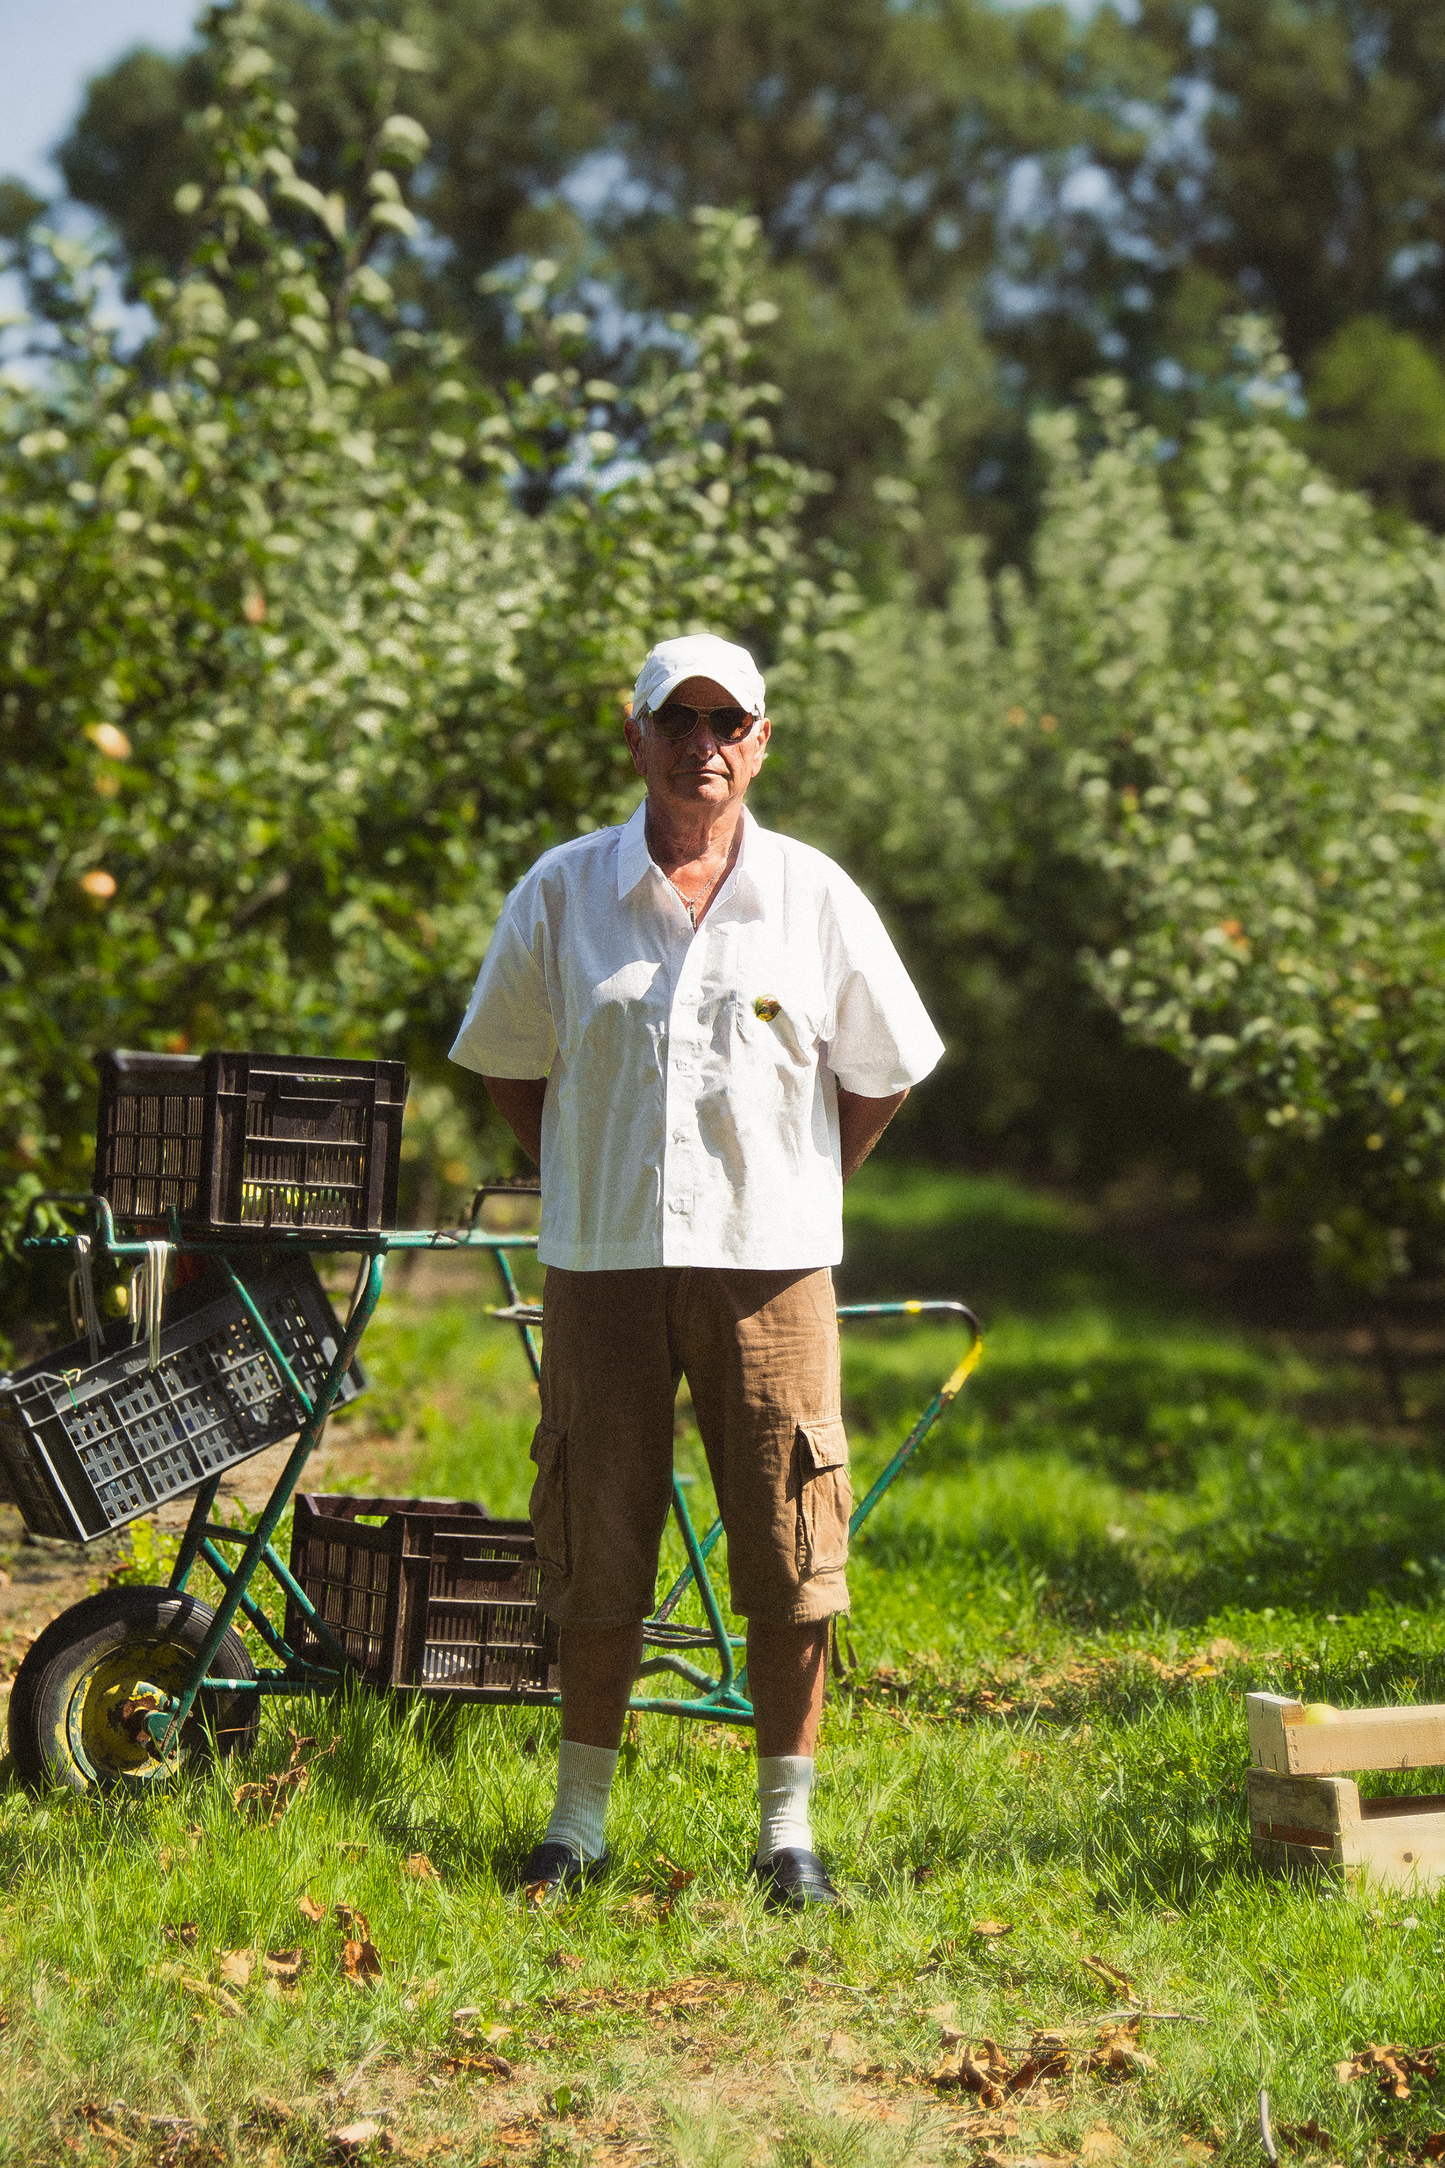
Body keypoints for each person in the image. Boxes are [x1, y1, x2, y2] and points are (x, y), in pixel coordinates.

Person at [450, 631, 943, 1909]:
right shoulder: (562, 891)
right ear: (636, 736)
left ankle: (789, 1838)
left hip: (770, 1266)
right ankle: (576, 1826)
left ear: (761, 742)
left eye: (729, 724)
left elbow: (877, 1069)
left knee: (787, 1537)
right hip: (603, 1257)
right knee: (594, 1533)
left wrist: (796, 1181)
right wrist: (590, 1164)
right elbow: (512, 1065)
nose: (702, 746)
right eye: (679, 721)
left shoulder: (813, 895)